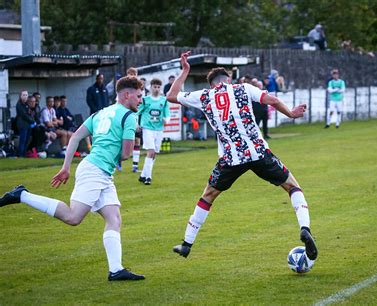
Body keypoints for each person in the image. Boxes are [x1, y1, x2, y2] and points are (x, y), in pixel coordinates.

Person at [167, 51, 318, 261]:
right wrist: (291, 113)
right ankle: (305, 228)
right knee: (292, 187)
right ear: (229, 79)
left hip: (231, 158)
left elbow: (171, 96)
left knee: (208, 196)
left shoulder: (203, 96)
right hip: (258, 152)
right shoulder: (243, 88)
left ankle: (186, 244)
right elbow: (271, 99)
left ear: (212, 84)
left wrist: (185, 71)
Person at [0, 76, 145, 281]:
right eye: (139, 96)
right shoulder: (129, 117)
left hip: (98, 171)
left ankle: (116, 270)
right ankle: (21, 195)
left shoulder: (100, 112)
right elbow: (126, 154)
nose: (141, 100)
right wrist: (130, 141)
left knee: (114, 218)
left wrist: (66, 167)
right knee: (73, 217)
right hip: (96, 171)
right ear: (127, 95)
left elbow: (76, 136)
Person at [137, 78, 170, 185]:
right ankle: (148, 177)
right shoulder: (145, 100)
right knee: (150, 152)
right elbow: (137, 112)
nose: (156, 89)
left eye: (158, 87)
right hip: (147, 128)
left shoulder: (164, 100)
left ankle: (142, 175)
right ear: (150, 87)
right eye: (154, 87)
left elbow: (167, 114)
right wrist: (137, 123)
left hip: (159, 129)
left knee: (154, 154)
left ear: (160, 88)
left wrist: (166, 120)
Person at [15, 90, 35, 157]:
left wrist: (31, 118)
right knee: (22, 141)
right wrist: (32, 121)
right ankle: (21, 155)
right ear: (20, 96)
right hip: (22, 125)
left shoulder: (26, 104)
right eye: (23, 95)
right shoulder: (19, 105)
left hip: (28, 125)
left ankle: (24, 155)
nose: (25, 96)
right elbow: (24, 115)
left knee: (26, 141)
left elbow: (30, 113)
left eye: (26, 95)